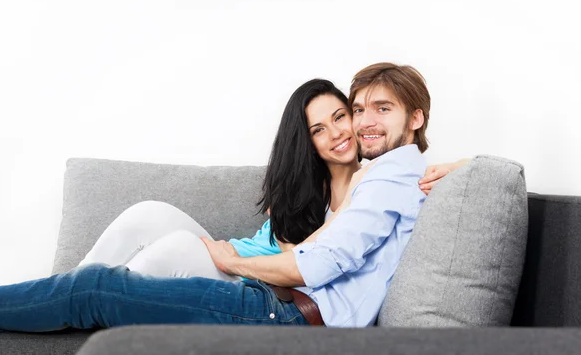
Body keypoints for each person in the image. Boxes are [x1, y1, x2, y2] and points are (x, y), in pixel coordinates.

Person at [0, 62, 460, 331]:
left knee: (96, 288)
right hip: (278, 301)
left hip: (288, 313)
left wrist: (231, 263)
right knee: (106, 270)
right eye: (359, 110)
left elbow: (315, 265)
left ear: (415, 118)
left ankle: (51, 310)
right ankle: (42, 305)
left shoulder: (389, 176)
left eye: (381, 109)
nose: (360, 124)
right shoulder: (392, 174)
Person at [75, 78, 456, 281]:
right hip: (235, 261)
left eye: (341, 117)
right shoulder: (306, 185)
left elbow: (306, 262)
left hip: (254, 285)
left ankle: (99, 312)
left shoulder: (379, 182)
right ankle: (69, 288)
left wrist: (464, 163)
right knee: (147, 214)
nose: (337, 133)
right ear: (307, 141)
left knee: (175, 248)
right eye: (318, 130)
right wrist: (231, 253)